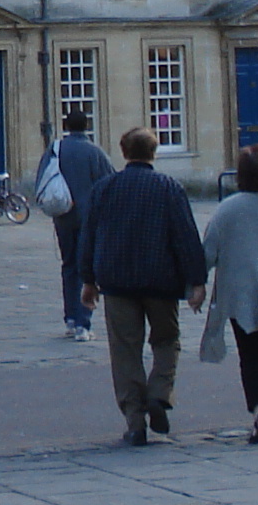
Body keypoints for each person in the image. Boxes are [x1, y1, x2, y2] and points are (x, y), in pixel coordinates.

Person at [76, 127, 207, 445]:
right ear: (154, 151)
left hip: (117, 281)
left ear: (123, 152)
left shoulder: (105, 188)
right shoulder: (168, 187)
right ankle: (159, 393)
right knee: (166, 341)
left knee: (124, 350)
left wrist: (88, 280)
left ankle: (135, 421)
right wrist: (197, 281)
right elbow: (186, 237)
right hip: (160, 280)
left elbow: (88, 236)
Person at [200, 145, 258, 443]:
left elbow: (208, 252)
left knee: (250, 354)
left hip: (240, 293)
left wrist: (196, 282)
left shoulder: (227, 210)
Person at [50, 109, 113, 342]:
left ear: (66, 126)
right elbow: (109, 182)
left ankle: (70, 318)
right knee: (88, 270)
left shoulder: (55, 150)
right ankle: (83, 323)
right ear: (86, 125)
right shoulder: (94, 152)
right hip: (89, 219)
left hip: (63, 215)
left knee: (68, 266)